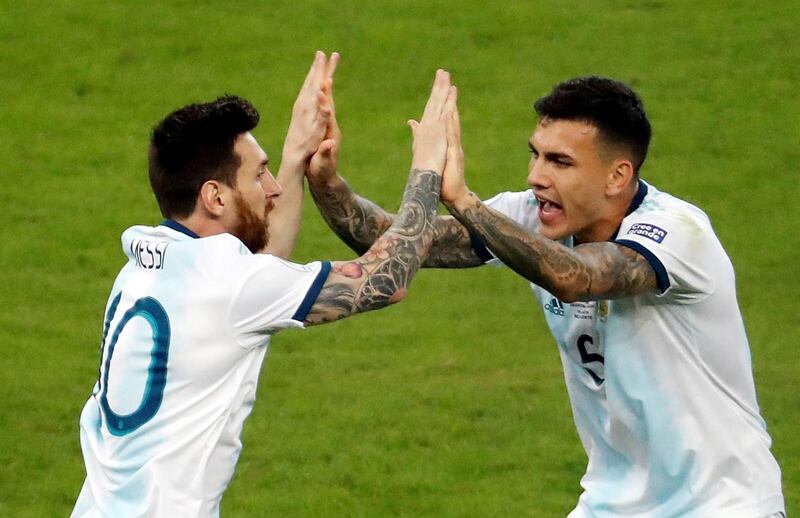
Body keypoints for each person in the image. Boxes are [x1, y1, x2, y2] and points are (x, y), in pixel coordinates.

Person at [306, 76, 785, 516]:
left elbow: (576, 277)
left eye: (559, 162)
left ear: (617, 176)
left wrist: (466, 201)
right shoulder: (534, 216)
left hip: (724, 503)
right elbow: (400, 243)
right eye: (535, 154)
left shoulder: (677, 233)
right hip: (612, 504)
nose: (536, 175)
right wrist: (327, 183)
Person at [71, 51, 458, 517]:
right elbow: (388, 278)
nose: (271, 187)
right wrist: (427, 167)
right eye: (259, 174)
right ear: (214, 196)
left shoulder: (145, 261)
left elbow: (261, 271)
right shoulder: (229, 284)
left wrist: (297, 153)